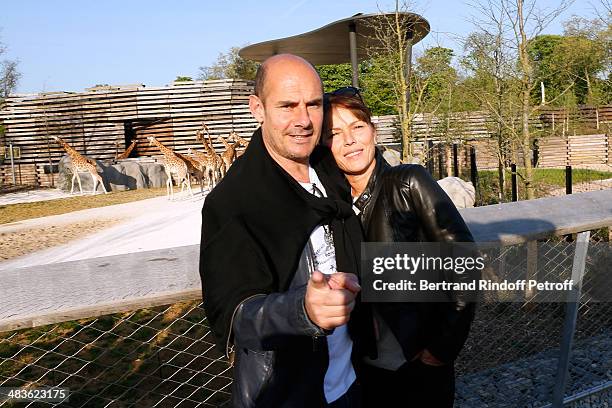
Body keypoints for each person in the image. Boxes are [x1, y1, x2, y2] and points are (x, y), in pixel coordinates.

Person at [199, 55, 369, 407]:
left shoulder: (329, 169)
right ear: (257, 109)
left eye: (313, 104)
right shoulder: (234, 202)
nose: (304, 120)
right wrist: (301, 311)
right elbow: (235, 313)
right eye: (287, 106)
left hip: (352, 380)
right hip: (289, 393)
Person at [322, 87, 477, 407]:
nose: (349, 139)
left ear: (373, 131)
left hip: (418, 363)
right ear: (325, 146)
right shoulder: (333, 208)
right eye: (335, 133)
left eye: (357, 126)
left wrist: (441, 348)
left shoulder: (408, 182)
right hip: (364, 369)